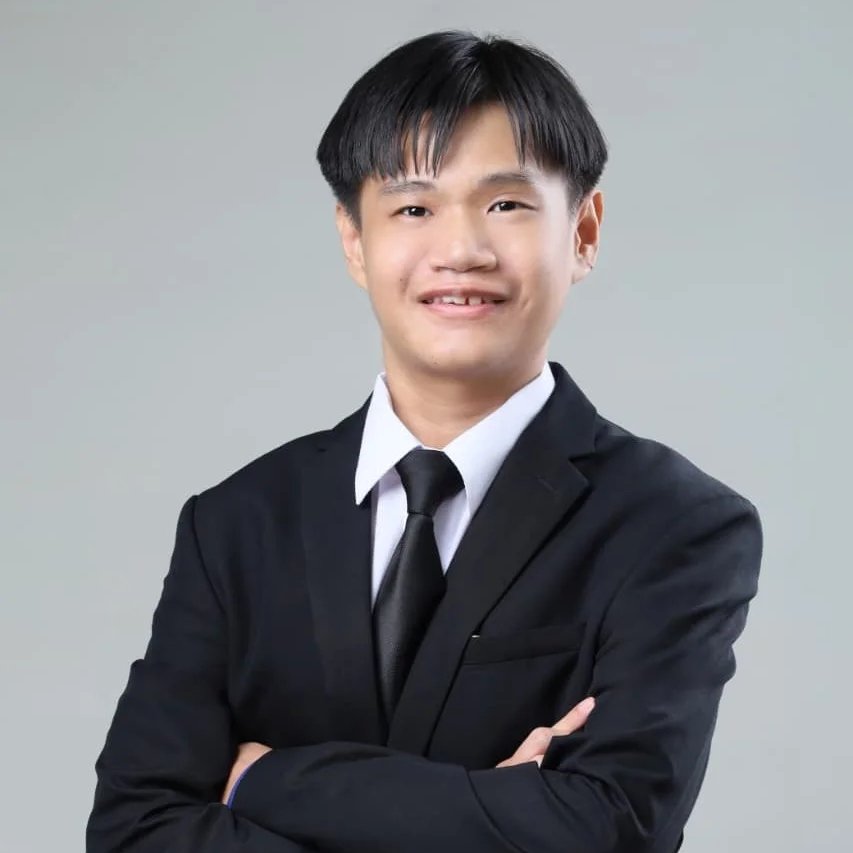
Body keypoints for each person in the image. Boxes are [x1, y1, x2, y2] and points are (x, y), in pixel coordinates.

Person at [86, 30, 763, 853]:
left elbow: (606, 829)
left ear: (583, 231)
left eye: (506, 205)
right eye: (412, 208)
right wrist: (501, 810)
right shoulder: (236, 523)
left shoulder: (673, 525)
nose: (460, 251)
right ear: (353, 239)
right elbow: (133, 828)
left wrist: (262, 780)